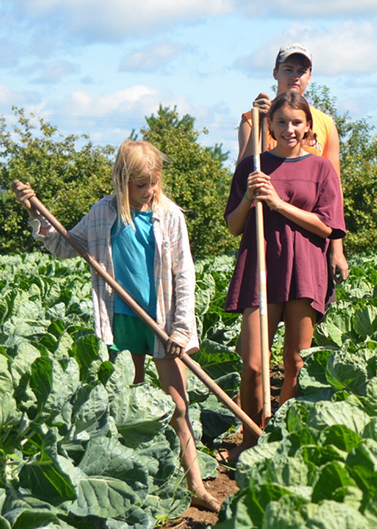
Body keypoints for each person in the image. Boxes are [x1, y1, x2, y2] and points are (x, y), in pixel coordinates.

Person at [13, 140, 220, 512]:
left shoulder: (170, 216)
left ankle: (197, 486)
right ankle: (138, 486)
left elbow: (184, 275)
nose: (150, 190)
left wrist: (181, 330)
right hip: (120, 320)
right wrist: (34, 211)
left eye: (154, 182)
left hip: (160, 322)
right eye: (141, 184)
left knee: (178, 406)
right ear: (122, 181)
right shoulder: (102, 213)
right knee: (128, 407)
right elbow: (66, 246)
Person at [224, 91, 346, 458]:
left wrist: (278, 204)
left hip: (305, 268)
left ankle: (282, 438)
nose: (289, 129)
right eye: (281, 122)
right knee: (254, 363)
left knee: (296, 359)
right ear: (270, 126)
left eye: (296, 122)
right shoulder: (253, 166)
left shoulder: (321, 168)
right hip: (261, 265)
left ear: (308, 126)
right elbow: (233, 226)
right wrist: (250, 198)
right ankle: (250, 438)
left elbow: (327, 226)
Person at [237, 42, 348, 283]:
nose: (295, 76)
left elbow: (334, 193)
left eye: (301, 70)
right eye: (288, 69)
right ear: (275, 73)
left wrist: (337, 249)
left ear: (309, 76)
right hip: (264, 237)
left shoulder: (324, 123)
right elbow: (242, 176)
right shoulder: (251, 119)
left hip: (310, 239)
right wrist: (261, 122)